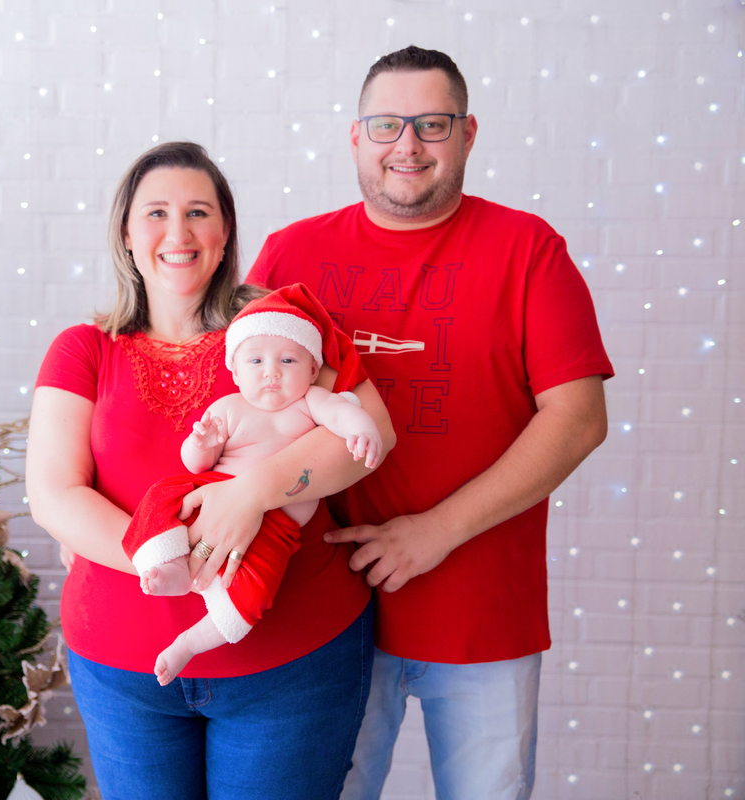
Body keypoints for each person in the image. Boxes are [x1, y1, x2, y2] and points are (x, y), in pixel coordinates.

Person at [247, 46, 614, 800]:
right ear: (355, 137)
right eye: (386, 124)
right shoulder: (292, 252)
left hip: (483, 614)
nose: (407, 145)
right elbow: (237, 396)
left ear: (469, 134)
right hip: (327, 615)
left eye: (432, 124)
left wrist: (435, 531)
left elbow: (578, 420)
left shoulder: (529, 251)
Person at [26, 141, 396, 800]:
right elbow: (54, 495)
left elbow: (367, 436)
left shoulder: (284, 332)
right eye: (157, 213)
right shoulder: (83, 350)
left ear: (224, 236)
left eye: (199, 212)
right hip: (124, 672)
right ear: (126, 234)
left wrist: (253, 493)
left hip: (293, 668)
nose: (179, 231)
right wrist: (179, 561)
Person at [123, 285, 383, 686]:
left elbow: (347, 413)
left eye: (288, 359)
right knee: (160, 496)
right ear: (235, 371)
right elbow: (196, 463)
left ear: (313, 370)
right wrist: (201, 444)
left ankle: (190, 642)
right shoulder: (229, 408)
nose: (271, 371)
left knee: (254, 593)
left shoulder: (311, 402)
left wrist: (363, 430)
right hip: (211, 490)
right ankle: (170, 565)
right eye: (256, 360)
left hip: (276, 526)